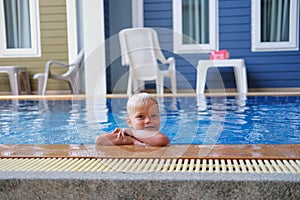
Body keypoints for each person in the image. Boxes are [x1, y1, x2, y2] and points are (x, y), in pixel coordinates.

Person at [95, 93, 170, 147]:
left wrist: (132, 132)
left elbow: (162, 140)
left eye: (153, 116)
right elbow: (100, 140)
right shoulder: (128, 136)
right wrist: (131, 140)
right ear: (129, 122)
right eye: (141, 116)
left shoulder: (157, 136)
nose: (148, 120)